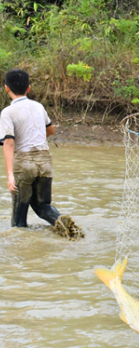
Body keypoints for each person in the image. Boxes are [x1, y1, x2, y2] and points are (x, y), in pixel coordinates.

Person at [0, 69, 83, 239]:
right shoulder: (38, 107)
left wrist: (9, 175)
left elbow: (8, 142)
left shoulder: (7, 112)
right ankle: (65, 225)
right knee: (42, 206)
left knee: (19, 218)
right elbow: (50, 130)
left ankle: (22, 253)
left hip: (24, 163)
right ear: (28, 88)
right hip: (45, 161)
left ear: (6, 88)